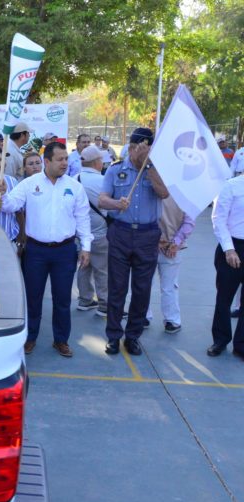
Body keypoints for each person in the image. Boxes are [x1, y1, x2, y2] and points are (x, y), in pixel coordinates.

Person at [0, 141, 92, 358]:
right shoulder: (30, 184)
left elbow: (82, 218)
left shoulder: (75, 187)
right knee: (33, 297)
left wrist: (85, 247)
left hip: (65, 251)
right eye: (60, 159)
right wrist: (2, 194)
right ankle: (29, 338)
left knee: (62, 299)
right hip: (36, 252)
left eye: (66, 159)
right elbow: (10, 205)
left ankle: (61, 340)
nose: (65, 163)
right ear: (46, 161)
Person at [98, 127, 169, 356]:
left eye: (148, 148)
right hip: (120, 232)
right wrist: (116, 204)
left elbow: (164, 193)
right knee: (117, 288)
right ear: (130, 147)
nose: (143, 152)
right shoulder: (115, 170)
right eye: (140, 148)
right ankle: (113, 336)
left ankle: (133, 336)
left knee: (142, 289)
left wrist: (148, 167)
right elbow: (102, 200)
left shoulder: (156, 170)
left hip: (147, 235)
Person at [209, 174, 244, 358]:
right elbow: (218, 219)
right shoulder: (231, 186)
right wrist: (229, 250)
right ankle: (220, 340)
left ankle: (241, 345)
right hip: (232, 246)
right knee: (224, 298)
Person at [75, 145, 109, 317]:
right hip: (100, 232)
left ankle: (85, 299)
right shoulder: (103, 181)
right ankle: (104, 304)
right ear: (96, 162)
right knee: (102, 269)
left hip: (80, 234)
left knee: (83, 266)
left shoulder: (74, 179)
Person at [156, 196, 195, 334]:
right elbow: (189, 222)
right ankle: (172, 320)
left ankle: (143, 317)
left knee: (143, 284)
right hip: (172, 247)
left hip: (148, 244)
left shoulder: (149, 187)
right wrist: (175, 242)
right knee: (170, 286)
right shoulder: (184, 194)